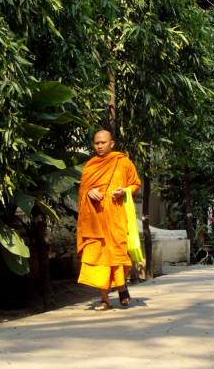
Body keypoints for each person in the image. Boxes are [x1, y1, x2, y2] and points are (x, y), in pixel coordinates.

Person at [76, 130, 141, 310]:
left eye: (103, 142)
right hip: (95, 222)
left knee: (117, 256)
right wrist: (89, 192)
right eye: (96, 143)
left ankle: (121, 288)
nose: (99, 146)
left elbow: (136, 184)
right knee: (98, 260)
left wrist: (124, 191)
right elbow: (82, 191)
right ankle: (104, 299)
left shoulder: (123, 162)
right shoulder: (90, 166)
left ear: (112, 143)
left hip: (116, 219)